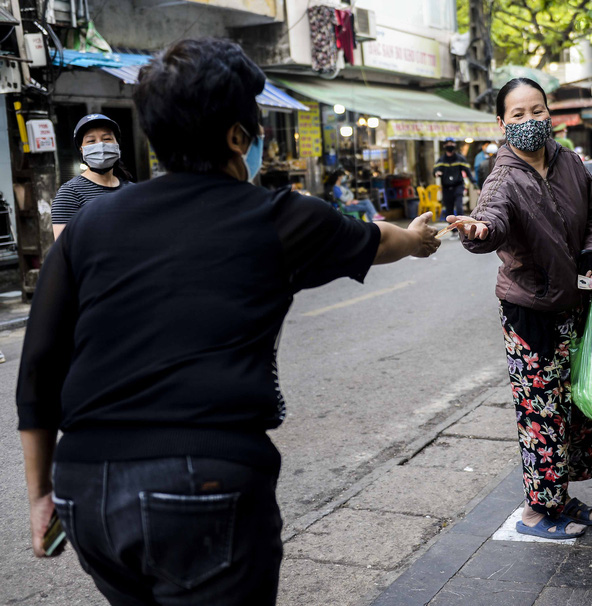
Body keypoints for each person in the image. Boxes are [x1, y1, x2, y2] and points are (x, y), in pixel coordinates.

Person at [16, 38, 440, 606]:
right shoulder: (275, 218)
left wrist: (41, 494)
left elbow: (40, 364)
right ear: (239, 136)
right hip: (204, 485)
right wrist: (415, 240)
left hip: (86, 488)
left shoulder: (92, 225)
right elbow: (377, 239)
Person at [450, 77, 592, 540]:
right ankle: (537, 513)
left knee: (572, 407)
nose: (529, 121)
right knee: (541, 411)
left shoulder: (570, 162)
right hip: (530, 311)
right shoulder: (502, 176)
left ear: (549, 113)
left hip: (575, 302)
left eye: (536, 110)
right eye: (517, 115)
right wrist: (476, 230)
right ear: (501, 123)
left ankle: (559, 496)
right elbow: (492, 221)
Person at [51, 114, 132, 240]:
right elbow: (64, 251)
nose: (101, 145)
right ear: (81, 149)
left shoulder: (132, 191)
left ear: (117, 144)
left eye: (107, 139)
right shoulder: (70, 194)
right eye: (91, 141)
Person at [433, 137, 479, 223]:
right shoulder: (441, 160)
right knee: (449, 209)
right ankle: (453, 230)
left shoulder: (460, 159)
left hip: (458, 186)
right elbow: (435, 170)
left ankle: (461, 226)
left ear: (454, 145)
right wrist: (437, 172)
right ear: (444, 145)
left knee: (459, 208)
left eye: (452, 144)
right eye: (448, 144)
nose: (450, 145)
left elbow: (468, 173)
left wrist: (476, 186)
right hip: (446, 188)